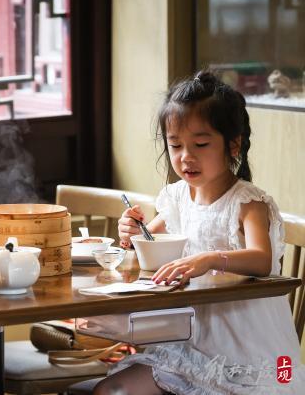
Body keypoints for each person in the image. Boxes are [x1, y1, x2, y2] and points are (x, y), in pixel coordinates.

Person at [95, 71, 304, 394]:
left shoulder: (248, 202)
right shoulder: (178, 198)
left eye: (201, 144)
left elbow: (262, 260)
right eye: (175, 145)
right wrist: (130, 233)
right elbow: (144, 247)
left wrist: (208, 259)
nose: (185, 157)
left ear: (233, 144)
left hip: (247, 348)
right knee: (110, 391)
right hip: (189, 343)